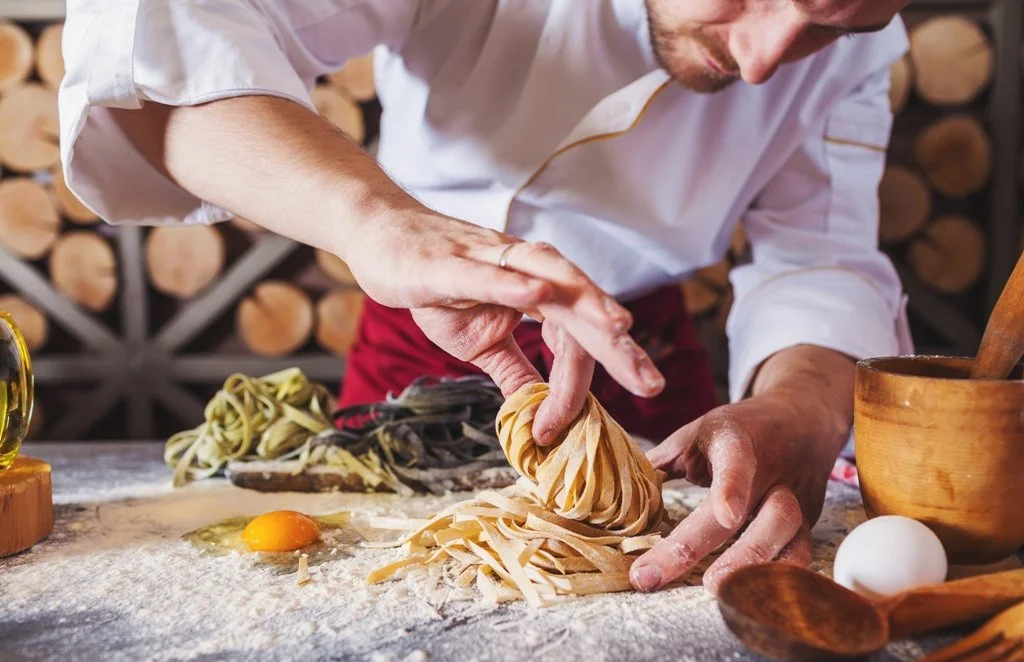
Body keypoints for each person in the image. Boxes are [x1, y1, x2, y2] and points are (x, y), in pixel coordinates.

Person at [58, 0, 915, 595]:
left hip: (645, 368)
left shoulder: (853, 52)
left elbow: (821, 260)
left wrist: (800, 411)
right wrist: (376, 220)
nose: (764, 60)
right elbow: (160, 38)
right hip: (429, 340)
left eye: (829, 30)